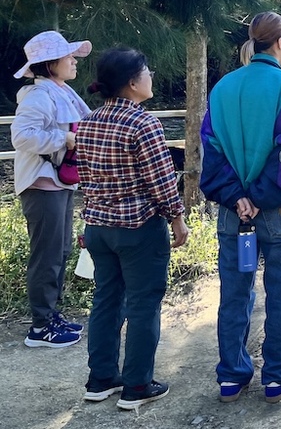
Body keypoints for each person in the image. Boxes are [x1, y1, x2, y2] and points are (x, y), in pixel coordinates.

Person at [200, 12, 281, 404]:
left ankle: (231, 377)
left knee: (234, 295)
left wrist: (239, 198)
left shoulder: (223, 88)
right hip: (280, 212)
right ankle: (278, 376)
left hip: (234, 213)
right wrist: (261, 198)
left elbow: (210, 151)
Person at [76, 48, 190, 409]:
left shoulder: (88, 121)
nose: (151, 76)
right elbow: (161, 182)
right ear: (132, 82)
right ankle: (137, 385)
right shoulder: (143, 123)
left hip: (98, 227)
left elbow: (83, 177)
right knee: (143, 304)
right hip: (138, 228)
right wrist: (177, 217)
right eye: (147, 71)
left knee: (106, 300)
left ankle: (101, 379)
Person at [11, 31, 93, 349]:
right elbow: (22, 137)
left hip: (58, 181)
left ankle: (50, 316)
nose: (74, 60)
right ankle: (41, 326)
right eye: (67, 56)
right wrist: (64, 139)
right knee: (47, 255)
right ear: (50, 63)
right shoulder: (39, 96)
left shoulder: (60, 91)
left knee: (60, 251)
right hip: (42, 184)